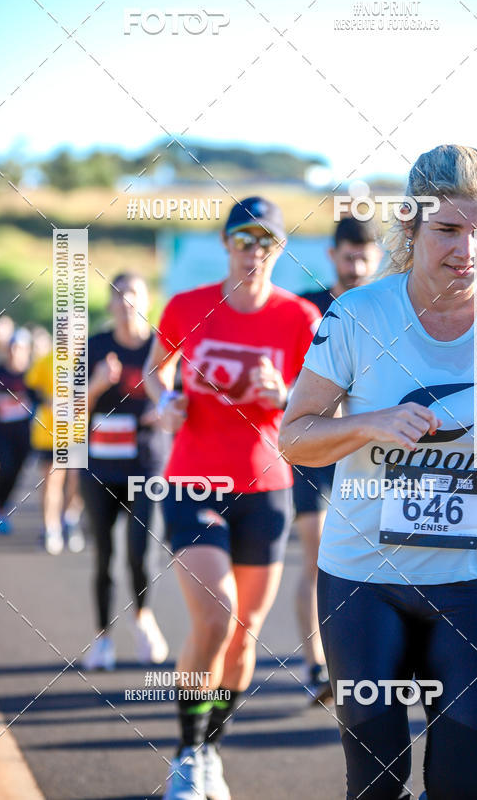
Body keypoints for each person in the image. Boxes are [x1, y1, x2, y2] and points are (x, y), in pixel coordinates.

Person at [279, 145, 477, 800]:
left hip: (473, 584)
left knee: (469, 786)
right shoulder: (357, 315)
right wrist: (371, 423)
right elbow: (293, 438)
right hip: (364, 583)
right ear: (410, 224)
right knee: (377, 784)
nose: (467, 250)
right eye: (447, 229)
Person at [143, 196, 320, 800]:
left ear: (281, 248)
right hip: (194, 480)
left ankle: (211, 750)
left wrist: (285, 395)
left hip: (266, 487)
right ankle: (187, 753)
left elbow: (322, 402)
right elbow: (156, 371)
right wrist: (166, 401)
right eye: (244, 239)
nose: (255, 251)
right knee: (216, 616)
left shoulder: (299, 317)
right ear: (225, 244)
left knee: (245, 632)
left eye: (267, 240)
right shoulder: (188, 306)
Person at [297, 216, 382, 703]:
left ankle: (356, 662)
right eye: (348, 257)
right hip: (313, 447)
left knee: (370, 556)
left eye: (365, 257)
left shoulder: (388, 308)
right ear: (332, 256)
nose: (357, 267)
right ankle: (318, 666)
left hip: (367, 453)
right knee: (317, 557)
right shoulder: (306, 307)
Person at [81, 273, 168, 671]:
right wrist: (98, 385)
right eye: (118, 294)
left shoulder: (161, 346)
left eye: (133, 293)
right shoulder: (95, 347)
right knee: (104, 555)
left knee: (140, 551)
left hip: (146, 465)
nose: (126, 301)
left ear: (147, 302)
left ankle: (143, 619)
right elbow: (68, 412)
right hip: (100, 467)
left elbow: (182, 398)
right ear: (110, 304)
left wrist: (164, 410)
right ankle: (102, 638)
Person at [25, 348, 85, 554]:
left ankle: (70, 519)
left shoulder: (88, 359)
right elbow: (31, 389)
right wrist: (47, 400)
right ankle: (51, 527)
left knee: (77, 479)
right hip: (50, 433)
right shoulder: (46, 360)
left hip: (78, 432)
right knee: (52, 478)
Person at [0, 327, 34, 534]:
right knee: (2, 466)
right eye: (13, 347)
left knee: (16, 471)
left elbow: (41, 397)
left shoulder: (31, 374)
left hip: (23, 433)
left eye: (20, 348)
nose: (15, 352)